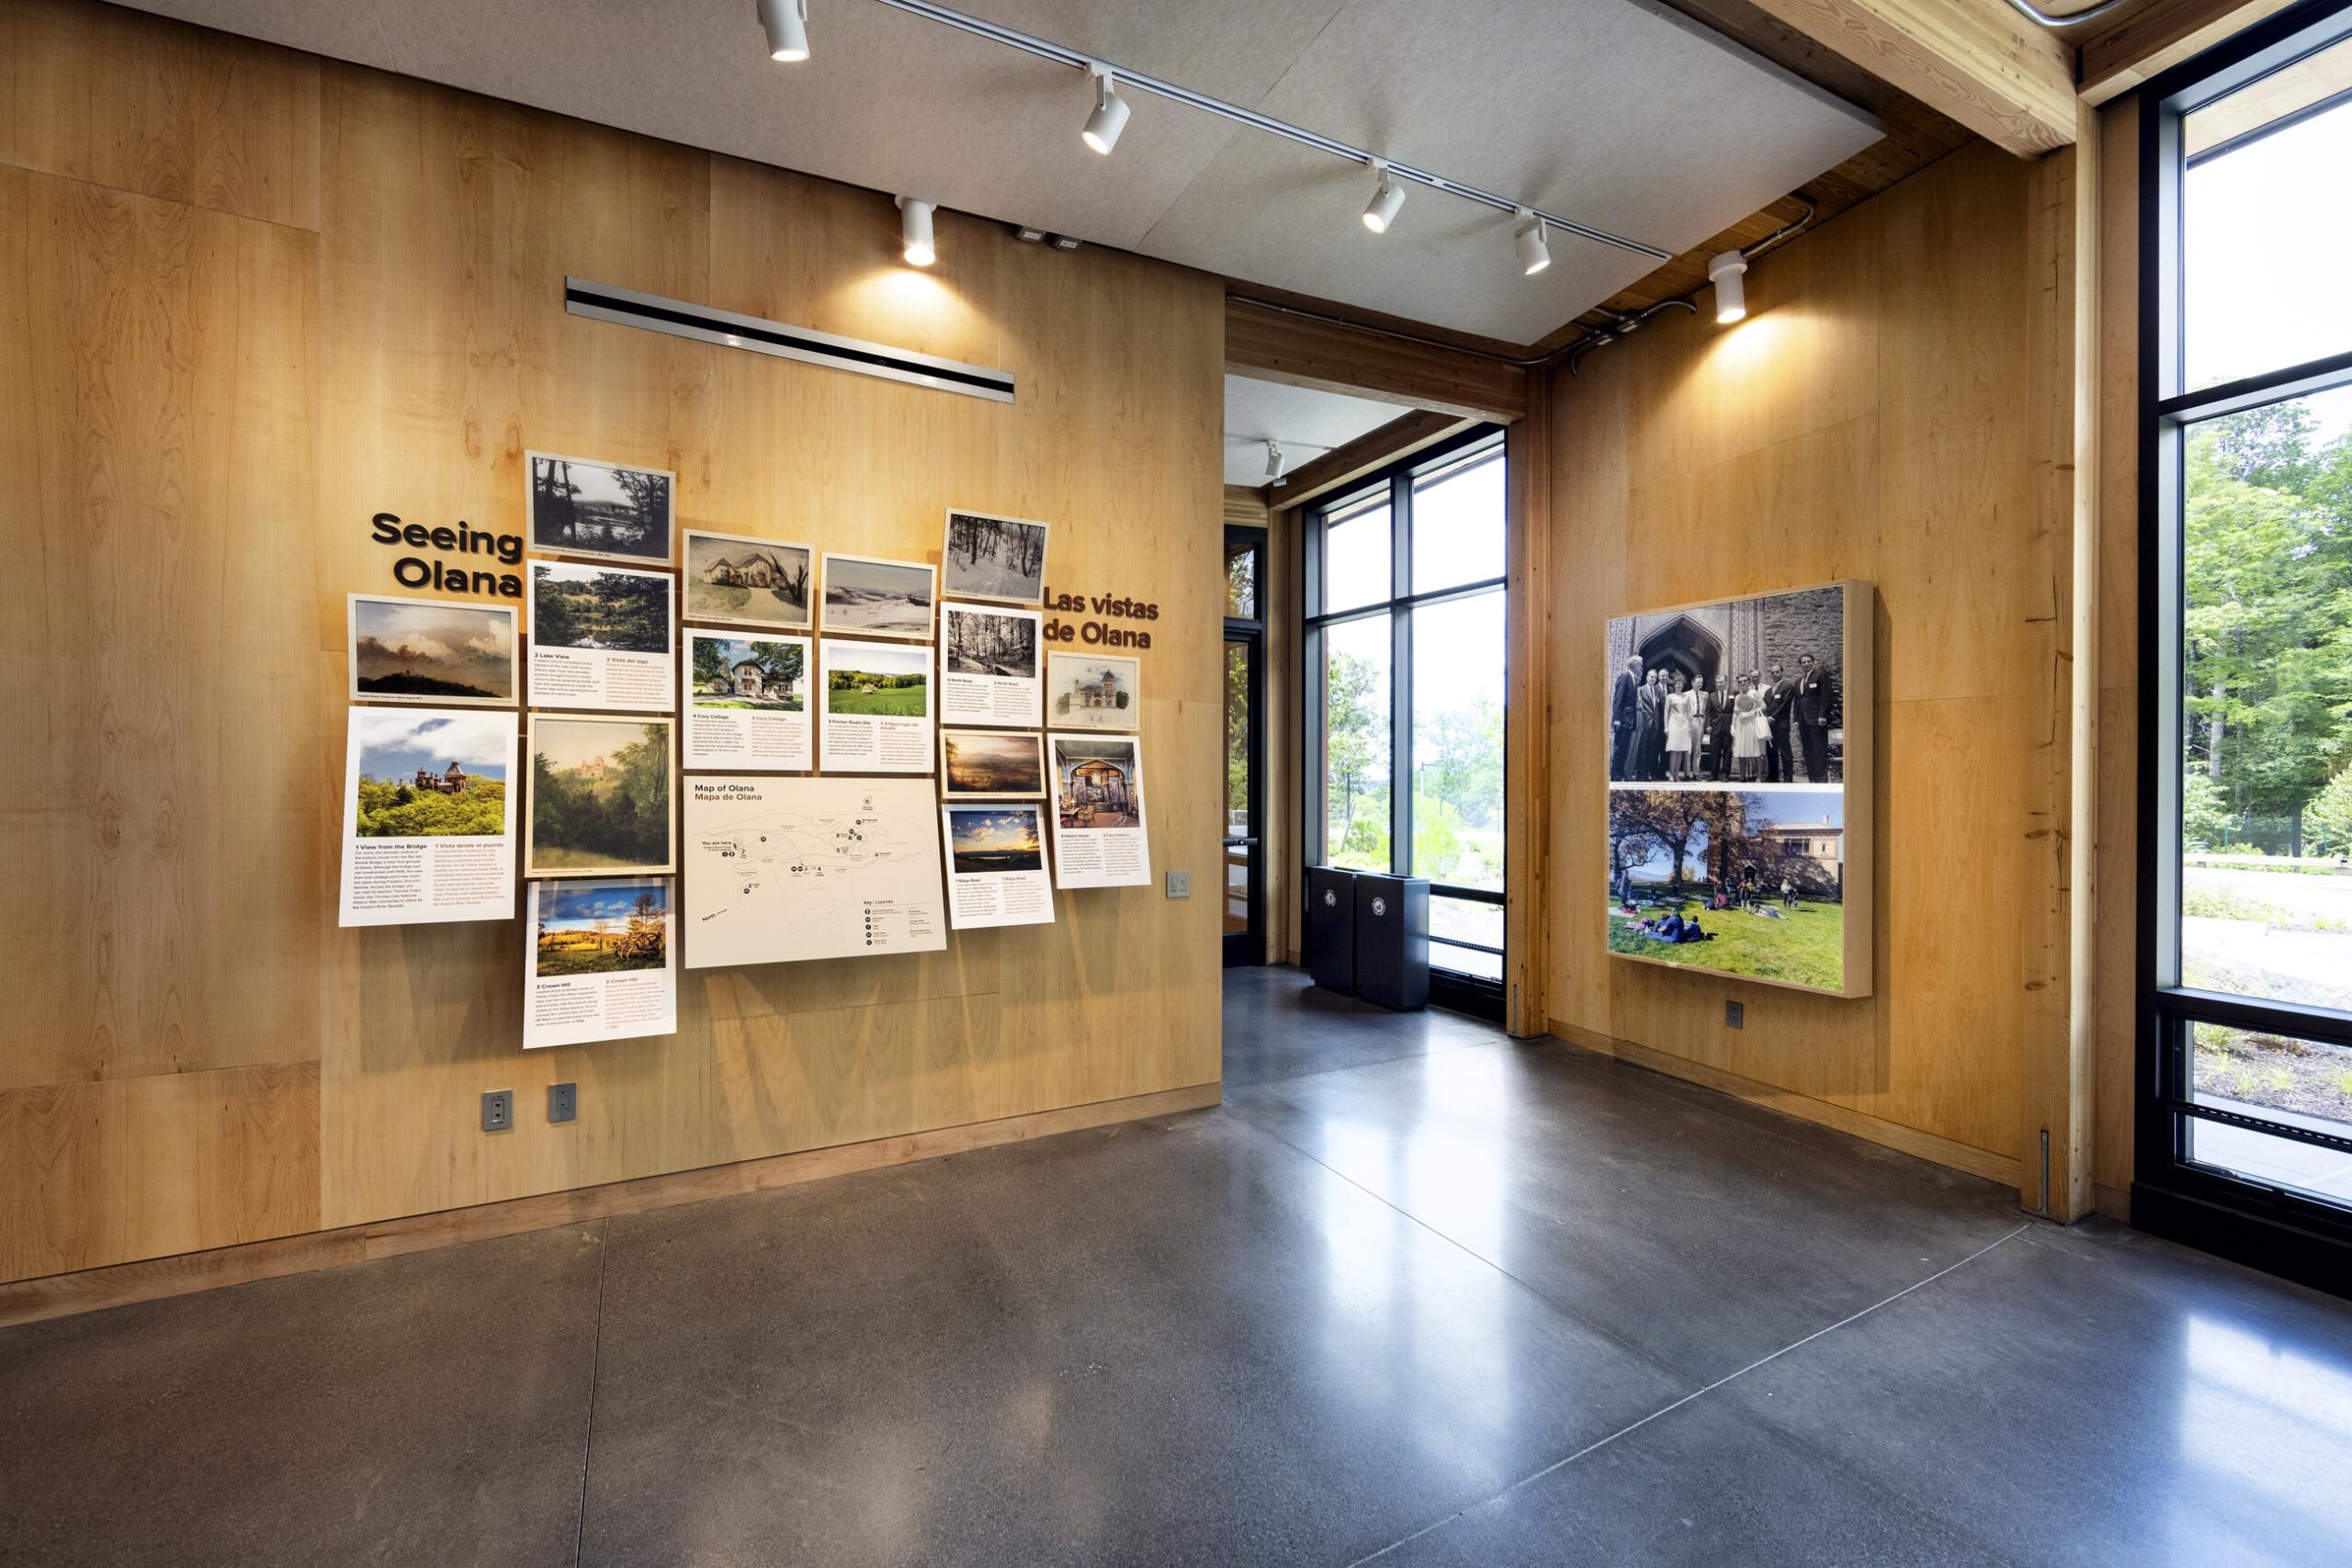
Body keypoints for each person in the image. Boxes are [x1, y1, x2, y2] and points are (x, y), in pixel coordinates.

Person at [1794, 650, 1837, 784]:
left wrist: (1823, 715)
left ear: (1813, 662)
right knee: (1808, 751)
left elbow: (1826, 696)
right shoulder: (1798, 681)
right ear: (1800, 665)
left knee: (1819, 750)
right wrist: (1796, 719)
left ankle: (1821, 781)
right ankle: (1812, 779)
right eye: (1804, 662)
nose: (1807, 664)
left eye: (1809, 661)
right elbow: (1797, 702)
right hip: (1803, 721)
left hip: (1817, 720)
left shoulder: (1820, 674)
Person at [1762, 662, 1797, 783]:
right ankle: (1772, 776)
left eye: (1777, 672)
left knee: (1785, 751)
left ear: (1782, 672)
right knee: (1771, 751)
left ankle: (1788, 778)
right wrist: (1766, 717)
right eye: (1772, 673)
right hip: (1770, 726)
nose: (1775, 674)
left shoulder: (1787, 686)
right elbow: (1764, 706)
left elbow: (1785, 704)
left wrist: (1773, 717)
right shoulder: (1768, 691)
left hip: (1781, 724)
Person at [1610, 654, 1643, 781]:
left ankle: (1620, 773)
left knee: (1624, 748)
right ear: (1634, 665)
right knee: (1619, 748)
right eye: (1640, 665)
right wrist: (1616, 719)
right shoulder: (1625, 677)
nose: (1642, 668)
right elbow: (1618, 699)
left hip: (1629, 721)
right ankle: (1615, 775)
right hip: (1623, 720)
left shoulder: (1633, 679)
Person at [1732, 674, 1766, 783]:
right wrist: (1732, 725)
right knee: (1742, 751)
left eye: (1745, 681)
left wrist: (1752, 712)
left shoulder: (1754, 693)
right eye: (1740, 681)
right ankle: (1742, 776)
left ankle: (1759, 777)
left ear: (1749, 682)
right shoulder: (1737, 696)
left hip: (1752, 723)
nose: (1742, 683)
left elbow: (1764, 706)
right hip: (1741, 725)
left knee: (1755, 751)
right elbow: (1735, 712)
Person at [1635, 669, 1666, 782]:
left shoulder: (1658, 691)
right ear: (1647, 677)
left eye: (1655, 677)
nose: (1653, 679)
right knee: (1642, 749)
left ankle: (1648, 773)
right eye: (1651, 676)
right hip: (1644, 723)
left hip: (1655, 724)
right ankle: (1640, 774)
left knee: (1651, 749)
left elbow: (1658, 709)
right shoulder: (1641, 690)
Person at [1699, 675, 1731, 782]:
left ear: (1726, 682)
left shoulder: (1733, 695)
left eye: (1721, 682)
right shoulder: (1711, 696)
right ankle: (1714, 774)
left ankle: (1725, 774)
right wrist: (1708, 725)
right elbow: (1707, 713)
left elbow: (1736, 711)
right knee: (1714, 752)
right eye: (1717, 682)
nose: (1719, 684)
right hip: (1715, 728)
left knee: (1727, 752)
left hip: (1728, 728)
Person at [1664, 671, 1693, 782]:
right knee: (1674, 750)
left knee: (1681, 750)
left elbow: (1689, 712)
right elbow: (1666, 713)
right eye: (1677, 683)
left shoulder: (1686, 697)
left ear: (1683, 685)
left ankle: (1677, 774)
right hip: (1673, 724)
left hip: (1684, 725)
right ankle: (1671, 774)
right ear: (1674, 684)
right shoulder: (1670, 697)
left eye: (1680, 684)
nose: (1679, 685)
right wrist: (1666, 727)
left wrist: (1689, 727)